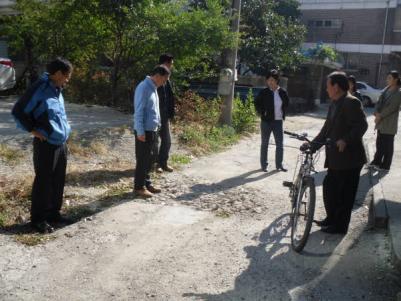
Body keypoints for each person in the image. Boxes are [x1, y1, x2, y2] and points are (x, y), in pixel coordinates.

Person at [11, 57, 73, 234]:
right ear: (59, 73)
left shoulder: (57, 88)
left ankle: (54, 214)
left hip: (60, 143)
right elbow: (18, 111)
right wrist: (32, 130)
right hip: (45, 144)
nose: (67, 79)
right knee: (44, 182)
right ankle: (38, 220)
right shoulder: (40, 88)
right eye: (67, 76)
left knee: (58, 180)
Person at [304, 71, 368, 234]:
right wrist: (312, 146)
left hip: (350, 159)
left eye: (328, 85)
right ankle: (331, 218)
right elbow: (326, 129)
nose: (326, 89)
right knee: (330, 188)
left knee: (344, 195)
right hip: (335, 158)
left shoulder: (351, 102)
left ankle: (340, 226)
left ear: (336, 87)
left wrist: (345, 140)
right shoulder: (334, 103)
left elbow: (361, 126)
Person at [133, 65, 170, 198]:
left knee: (151, 159)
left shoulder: (153, 88)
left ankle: (146, 183)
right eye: (164, 79)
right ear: (158, 76)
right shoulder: (144, 88)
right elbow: (139, 111)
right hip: (145, 131)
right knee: (143, 159)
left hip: (153, 130)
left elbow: (154, 110)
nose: (164, 82)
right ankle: (139, 187)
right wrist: (140, 131)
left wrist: (158, 125)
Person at [254, 69, 289, 172]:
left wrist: (282, 112)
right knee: (265, 144)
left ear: (277, 80)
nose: (270, 82)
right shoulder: (264, 92)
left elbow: (287, 103)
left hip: (278, 122)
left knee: (280, 144)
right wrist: (262, 112)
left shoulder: (282, 92)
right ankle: (264, 165)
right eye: (268, 80)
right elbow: (256, 103)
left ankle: (279, 165)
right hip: (266, 122)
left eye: (272, 80)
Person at [369, 70, 401, 172]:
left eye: (390, 78)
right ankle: (376, 162)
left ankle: (385, 166)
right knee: (379, 144)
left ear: (396, 80)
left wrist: (380, 116)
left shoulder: (398, 93)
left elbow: (391, 107)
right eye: (387, 78)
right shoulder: (386, 90)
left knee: (387, 146)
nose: (387, 80)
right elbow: (378, 102)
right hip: (381, 122)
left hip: (389, 124)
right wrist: (376, 112)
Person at [156, 54, 175, 173]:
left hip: (165, 114)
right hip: (156, 115)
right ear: (165, 63)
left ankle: (163, 163)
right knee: (154, 142)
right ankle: (156, 164)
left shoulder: (167, 77)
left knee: (167, 141)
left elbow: (169, 97)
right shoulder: (157, 76)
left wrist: (171, 113)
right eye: (171, 63)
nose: (172, 66)